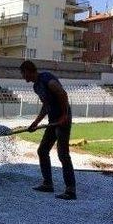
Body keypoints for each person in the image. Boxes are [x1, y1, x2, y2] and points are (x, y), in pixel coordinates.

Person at [20, 60, 77, 200]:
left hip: (63, 118)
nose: (23, 77)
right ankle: (48, 184)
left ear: (29, 70)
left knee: (63, 154)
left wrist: (64, 115)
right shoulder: (36, 87)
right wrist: (36, 122)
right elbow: (46, 105)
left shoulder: (47, 80)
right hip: (53, 120)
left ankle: (70, 190)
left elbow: (63, 94)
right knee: (42, 150)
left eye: (23, 74)